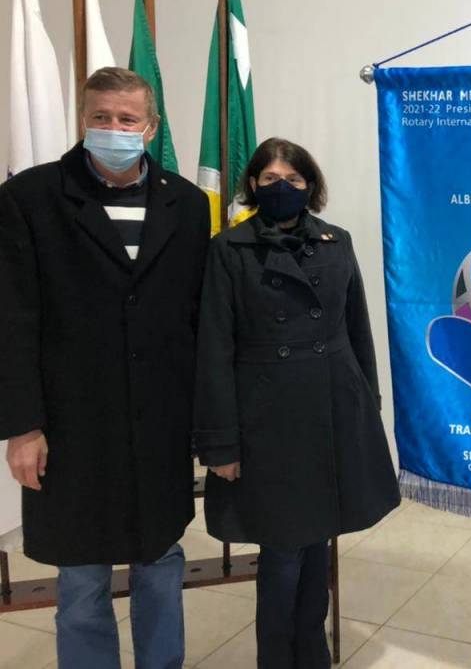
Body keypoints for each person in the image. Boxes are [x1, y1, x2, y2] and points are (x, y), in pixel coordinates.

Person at [0, 67, 210, 668]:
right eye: (101, 117)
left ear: (151, 126)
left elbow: (197, 317)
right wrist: (23, 427)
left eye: (126, 119)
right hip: (72, 426)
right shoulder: (29, 198)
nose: (113, 128)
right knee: (83, 577)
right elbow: (12, 320)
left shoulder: (188, 204)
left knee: (161, 562)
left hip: (159, 421)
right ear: (83, 119)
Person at [193, 137, 400, 668]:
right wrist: (220, 444)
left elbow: (357, 329)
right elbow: (214, 348)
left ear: (310, 186)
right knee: (282, 553)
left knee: (316, 547)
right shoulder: (229, 249)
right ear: (253, 185)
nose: (281, 187)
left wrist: (366, 407)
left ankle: (313, 655)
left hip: (331, 409)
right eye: (270, 179)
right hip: (267, 421)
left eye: (293, 179)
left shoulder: (337, 241)